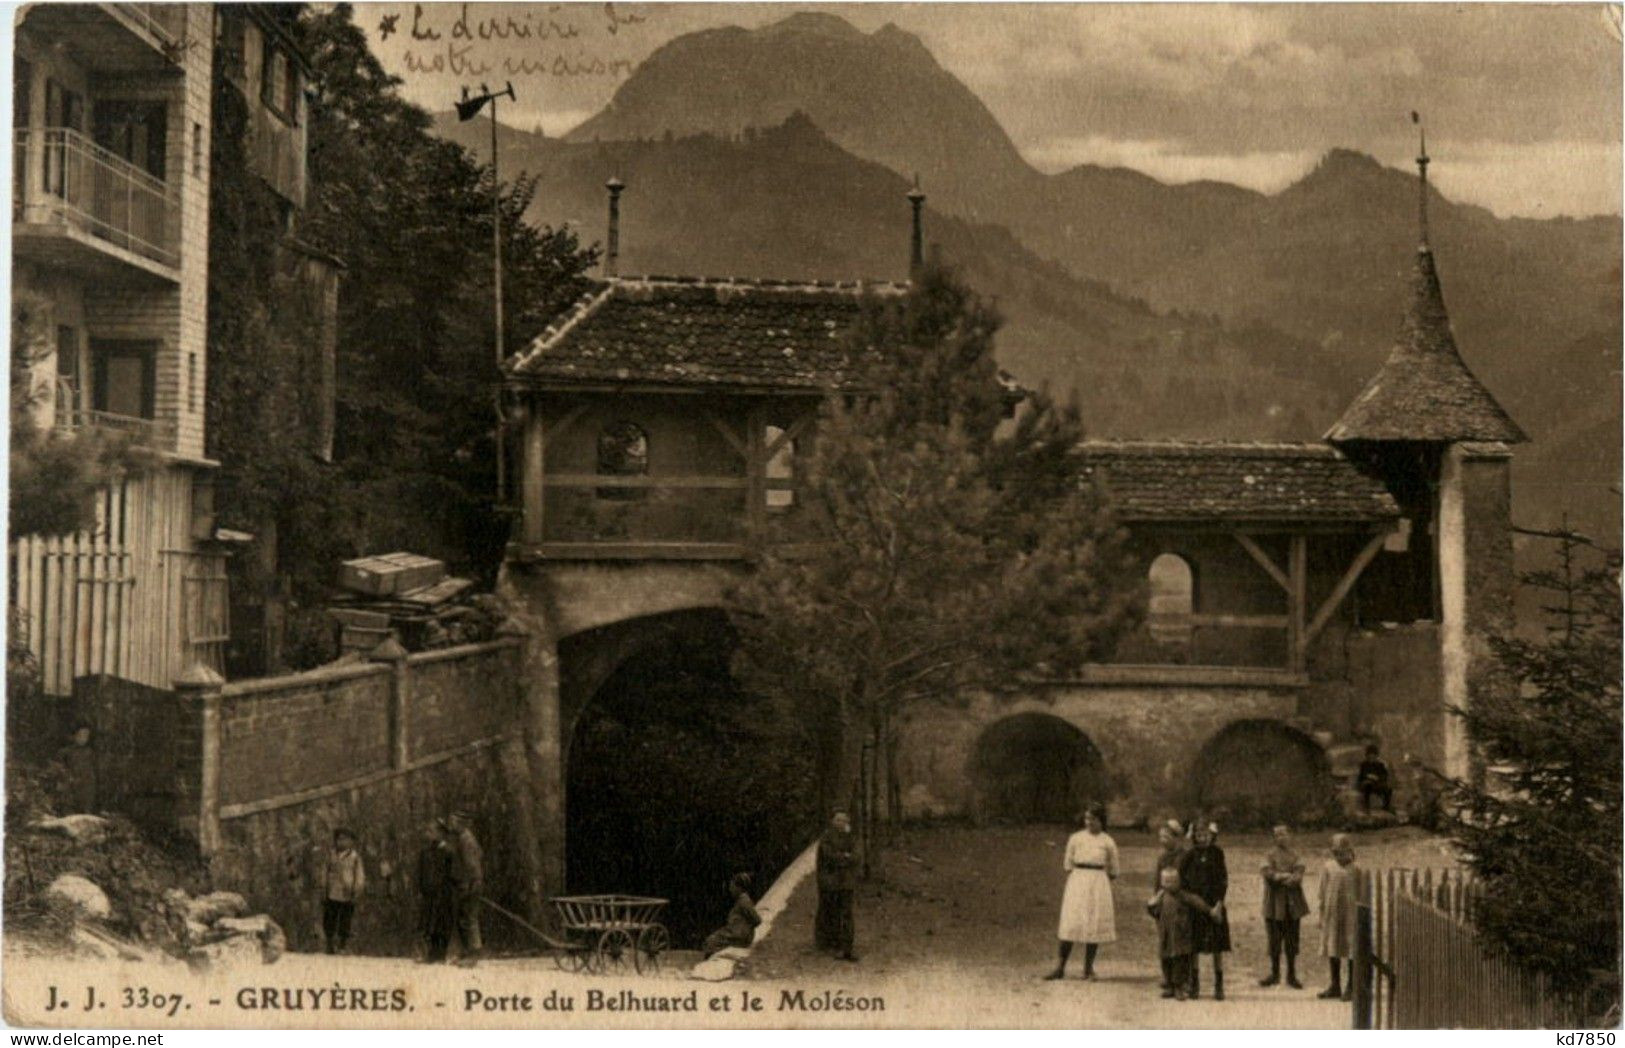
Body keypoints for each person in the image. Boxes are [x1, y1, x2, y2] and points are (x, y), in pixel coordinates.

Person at [1045, 803, 1119, 981]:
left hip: (1098, 882)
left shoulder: (1107, 841)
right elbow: (1068, 864)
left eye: (1093, 819)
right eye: (1087, 818)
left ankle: (1088, 969)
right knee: (1071, 921)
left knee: (1093, 923)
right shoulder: (1075, 838)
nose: (1089, 822)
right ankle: (1060, 966)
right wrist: (1081, 878)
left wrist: (1097, 881)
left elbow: (1114, 869)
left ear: (1101, 821)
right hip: (1078, 881)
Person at [1147, 866, 1222, 1001]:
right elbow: (1154, 911)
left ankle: (1179, 987)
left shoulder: (1183, 896)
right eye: (1166, 881)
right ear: (1161, 882)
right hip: (1166, 934)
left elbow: (1197, 902)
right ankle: (1169, 985)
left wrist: (1210, 911)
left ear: (1179, 882)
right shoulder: (1161, 896)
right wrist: (1151, 905)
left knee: (1180, 961)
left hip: (1181, 934)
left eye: (1173, 881)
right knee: (1166, 960)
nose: (1169, 885)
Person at [1178, 821, 1231, 1000]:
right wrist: (1192, 899)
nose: (1203, 838)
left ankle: (1219, 984)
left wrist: (1219, 903)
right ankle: (1195, 983)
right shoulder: (1189, 855)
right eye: (1199, 835)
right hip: (1197, 906)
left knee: (1217, 946)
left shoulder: (1218, 853)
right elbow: (1181, 878)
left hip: (1216, 903)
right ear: (1194, 837)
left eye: (1206, 835)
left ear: (1212, 836)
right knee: (1195, 945)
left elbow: (1223, 879)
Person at [1259, 823, 1310, 988]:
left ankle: (1291, 975)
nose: (1281, 837)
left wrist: (1285, 877)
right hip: (1273, 904)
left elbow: (1299, 874)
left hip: (1292, 904)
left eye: (1284, 834)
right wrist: (1282, 876)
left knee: (1291, 941)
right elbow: (1267, 874)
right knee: (1274, 940)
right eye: (1277, 835)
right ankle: (1274, 973)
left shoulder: (1296, 855)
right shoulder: (1268, 855)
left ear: (1290, 836)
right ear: (1274, 838)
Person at [1318, 834, 1359, 999]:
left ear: (1350, 851)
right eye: (1336, 853)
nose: (1340, 857)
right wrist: (1321, 914)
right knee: (1333, 946)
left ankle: (1351, 986)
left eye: (1343, 853)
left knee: (1351, 948)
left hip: (1351, 914)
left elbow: (1363, 894)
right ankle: (1335, 985)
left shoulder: (1357, 870)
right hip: (1332, 912)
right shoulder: (1328, 867)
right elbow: (1322, 892)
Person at [814, 811, 858, 961]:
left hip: (846, 883)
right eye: (838, 820)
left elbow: (856, 856)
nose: (841, 823)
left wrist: (844, 857)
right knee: (831, 911)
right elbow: (829, 857)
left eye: (844, 820)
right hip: (830, 882)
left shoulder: (850, 837)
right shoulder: (826, 837)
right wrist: (845, 856)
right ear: (833, 821)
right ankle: (829, 942)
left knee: (846, 914)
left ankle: (845, 946)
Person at [319, 828, 366, 954]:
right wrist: (323, 886)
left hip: (347, 892)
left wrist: (357, 888)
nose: (342, 842)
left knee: (345, 919)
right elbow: (324, 871)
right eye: (339, 839)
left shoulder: (354, 857)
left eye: (345, 839)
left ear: (351, 841)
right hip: (332, 891)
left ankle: (342, 945)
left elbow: (359, 874)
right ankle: (329, 944)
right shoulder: (331, 855)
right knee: (330, 918)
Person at [447, 809, 484, 967]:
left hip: (470, 884)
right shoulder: (463, 838)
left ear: (460, 824)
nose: (450, 824)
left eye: (453, 822)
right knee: (464, 918)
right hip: (465, 883)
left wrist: (473, 882)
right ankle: (467, 953)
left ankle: (474, 954)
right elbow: (480, 854)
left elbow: (473, 864)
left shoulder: (466, 840)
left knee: (469, 918)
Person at [416, 820, 454, 963]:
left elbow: (452, 873)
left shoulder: (448, 852)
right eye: (428, 831)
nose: (428, 834)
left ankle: (441, 954)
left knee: (442, 923)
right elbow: (420, 872)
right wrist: (421, 888)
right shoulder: (425, 852)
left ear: (441, 833)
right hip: (428, 893)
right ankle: (431, 954)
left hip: (443, 894)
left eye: (431, 831)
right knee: (428, 923)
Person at [703, 872, 762, 957]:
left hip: (739, 936)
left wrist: (744, 928)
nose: (730, 889)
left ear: (739, 888)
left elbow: (757, 920)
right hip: (737, 933)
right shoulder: (742, 900)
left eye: (732, 886)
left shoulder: (744, 901)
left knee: (710, 942)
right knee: (712, 939)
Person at [55, 723, 97, 814]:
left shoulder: (89, 752)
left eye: (86, 736)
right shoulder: (65, 752)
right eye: (80, 735)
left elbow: (91, 771)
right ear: (74, 735)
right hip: (70, 786)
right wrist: (68, 778)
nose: (83, 738)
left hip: (85, 788)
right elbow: (59, 768)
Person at [1357, 744, 1393, 813]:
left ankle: (1386, 806)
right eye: (1370, 755)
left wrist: (1377, 778)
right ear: (1367, 756)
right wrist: (1368, 777)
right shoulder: (1364, 765)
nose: (1371, 757)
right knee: (1367, 786)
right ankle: (1366, 806)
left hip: (1377, 783)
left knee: (1388, 789)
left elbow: (1384, 775)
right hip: (1367, 783)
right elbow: (1361, 776)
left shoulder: (1380, 765)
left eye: (1373, 755)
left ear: (1376, 756)